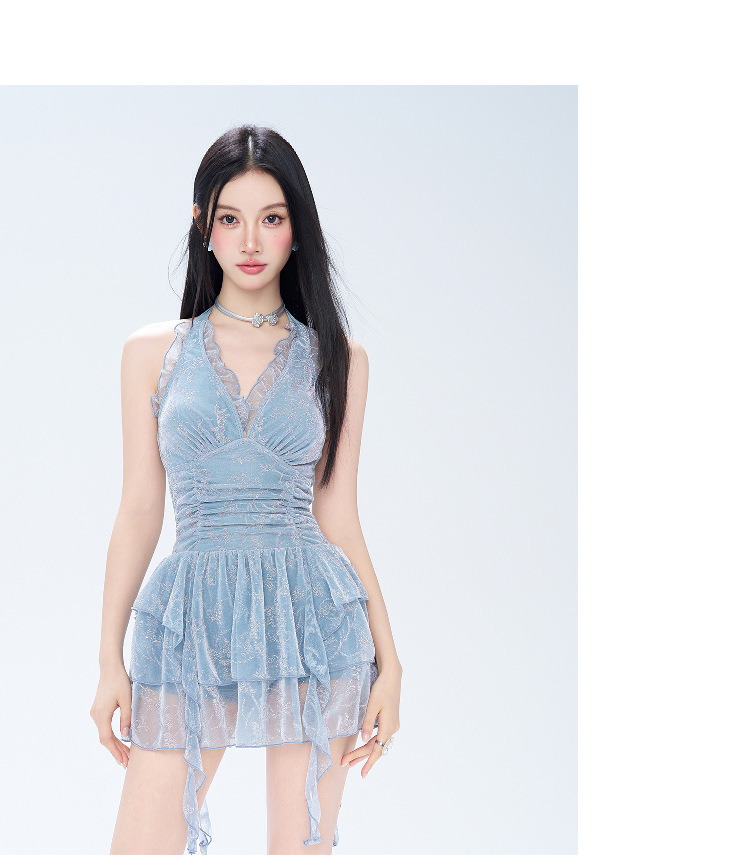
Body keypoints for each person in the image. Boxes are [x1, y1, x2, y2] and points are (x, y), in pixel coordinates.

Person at [89, 125, 403, 855]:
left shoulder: (339, 359)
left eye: (272, 217)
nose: (251, 240)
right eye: (231, 218)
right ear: (203, 225)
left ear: (297, 229)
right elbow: (139, 510)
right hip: (189, 622)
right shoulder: (152, 353)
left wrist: (392, 664)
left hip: (313, 625)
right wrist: (109, 660)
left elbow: (339, 518)